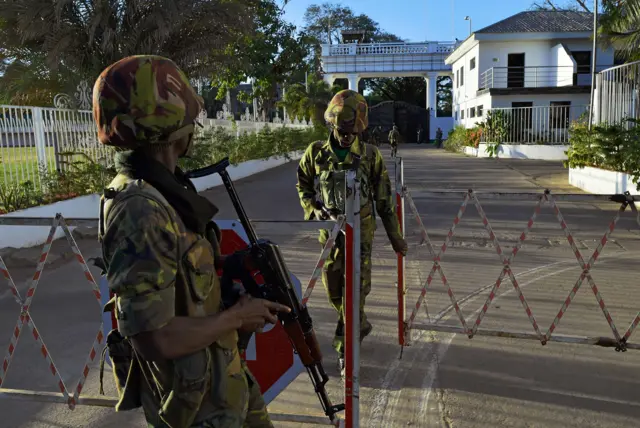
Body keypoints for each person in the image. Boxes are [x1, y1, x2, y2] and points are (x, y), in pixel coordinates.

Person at [95, 55, 289, 428]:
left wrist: (226, 276)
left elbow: (183, 283)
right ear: (167, 127)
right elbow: (155, 339)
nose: (193, 129)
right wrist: (237, 317)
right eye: (187, 120)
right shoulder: (140, 208)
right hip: (194, 409)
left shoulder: (164, 190)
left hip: (221, 389)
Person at [296, 89, 408, 376]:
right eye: (343, 130)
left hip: (361, 238)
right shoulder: (316, 153)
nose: (348, 136)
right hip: (330, 238)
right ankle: (358, 324)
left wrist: (395, 237)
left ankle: (346, 350)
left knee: (354, 295)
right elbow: (304, 186)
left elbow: (384, 199)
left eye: (353, 130)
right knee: (334, 291)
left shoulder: (370, 156)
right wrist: (313, 209)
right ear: (333, 125)